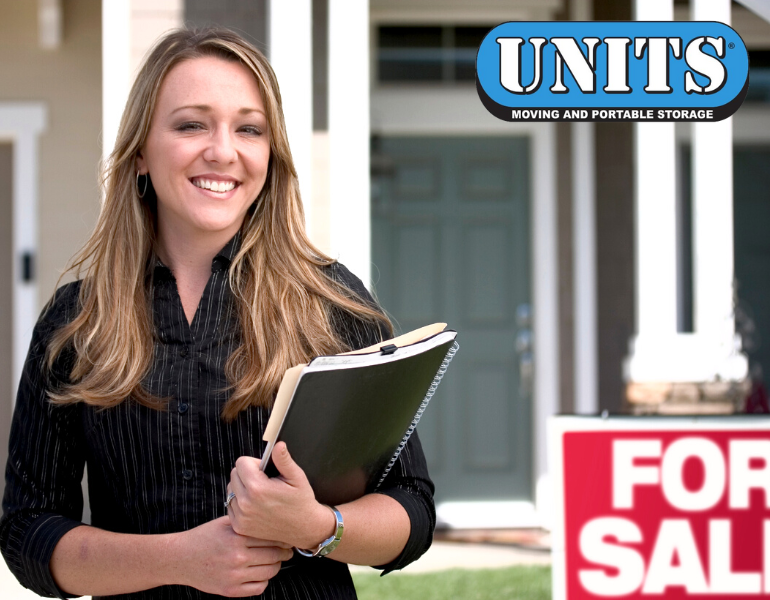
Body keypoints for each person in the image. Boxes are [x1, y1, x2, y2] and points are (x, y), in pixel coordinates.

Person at [0, 27, 435, 599]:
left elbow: (412, 510)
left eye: (249, 129)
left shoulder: (328, 303)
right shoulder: (77, 320)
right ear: (139, 156)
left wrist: (315, 527)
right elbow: (28, 534)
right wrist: (180, 559)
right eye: (191, 124)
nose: (223, 151)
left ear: (269, 156)